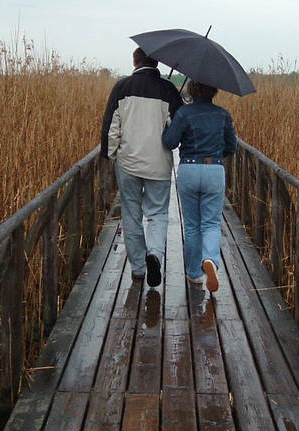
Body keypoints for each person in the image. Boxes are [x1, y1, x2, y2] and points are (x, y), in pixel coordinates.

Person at [101, 48, 183, 287]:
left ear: (135, 61)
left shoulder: (121, 87)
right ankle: (154, 254)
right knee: (157, 214)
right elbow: (177, 129)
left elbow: (111, 127)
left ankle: (138, 268)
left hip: (128, 163)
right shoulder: (168, 90)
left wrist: (109, 155)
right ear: (156, 63)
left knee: (131, 214)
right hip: (158, 164)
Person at [162, 81, 237, 292]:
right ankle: (210, 259)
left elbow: (170, 142)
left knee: (192, 225)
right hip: (214, 169)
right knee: (211, 223)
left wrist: (166, 125)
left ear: (192, 90)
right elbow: (231, 146)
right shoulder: (223, 115)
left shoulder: (184, 114)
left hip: (189, 169)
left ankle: (194, 274)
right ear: (214, 90)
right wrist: (216, 155)